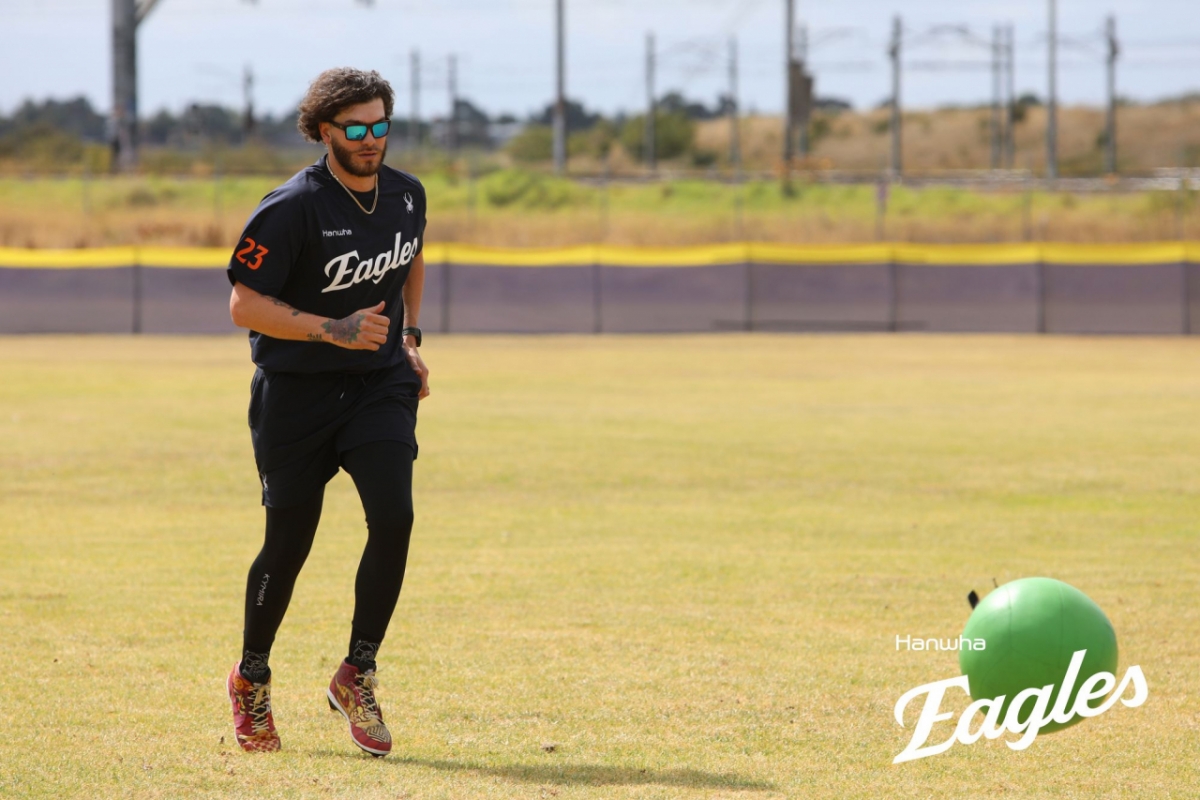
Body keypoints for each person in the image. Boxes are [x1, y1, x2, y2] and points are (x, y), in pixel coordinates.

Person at [224, 67, 429, 757]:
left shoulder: (406, 194)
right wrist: (331, 329)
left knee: (394, 517)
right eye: (356, 128)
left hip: (379, 385)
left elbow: (413, 255)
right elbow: (244, 305)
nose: (372, 139)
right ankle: (251, 678)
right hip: (297, 395)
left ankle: (357, 673)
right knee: (289, 545)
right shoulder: (291, 207)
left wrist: (410, 339)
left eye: (381, 125)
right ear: (323, 131)